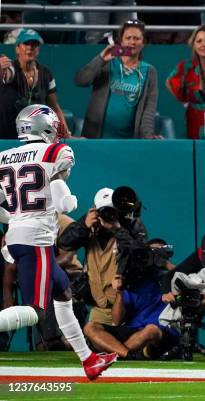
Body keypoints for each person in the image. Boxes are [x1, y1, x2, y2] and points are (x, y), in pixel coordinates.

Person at [0, 104, 116, 380]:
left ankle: (89, 360)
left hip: (18, 236)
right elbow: (63, 202)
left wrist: (17, 219)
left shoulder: (5, 157)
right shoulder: (54, 153)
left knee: (63, 292)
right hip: (36, 241)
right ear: (43, 125)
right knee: (37, 311)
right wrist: (69, 202)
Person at [58, 187, 148, 326]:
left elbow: (140, 256)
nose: (108, 215)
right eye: (104, 211)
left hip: (129, 304)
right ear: (96, 210)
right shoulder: (91, 224)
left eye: (112, 211)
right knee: (91, 333)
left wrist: (117, 229)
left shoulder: (129, 225)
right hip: (100, 307)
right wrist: (84, 225)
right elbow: (65, 243)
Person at [84, 239, 177, 359]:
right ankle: (128, 355)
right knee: (90, 327)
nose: (153, 258)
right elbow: (117, 321)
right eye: (150, 254)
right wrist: (119, 291)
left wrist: (166, 264)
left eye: (158, 254)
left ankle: (114, 351)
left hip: (159, 331)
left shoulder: (172, 279)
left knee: (150, 329)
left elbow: (188, 279)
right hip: (133, 330)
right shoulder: (133, 281)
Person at [75, 20, 159, 139]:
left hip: (128, 142)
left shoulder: (150, 71)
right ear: (121, 41)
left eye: (137, 38)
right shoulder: (106, 64)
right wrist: (100, 59)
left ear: (143, 42)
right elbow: (80, 80)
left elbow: (148, 111)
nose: (132, 42)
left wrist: (149, 137)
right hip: (96, 138)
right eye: (128, 38)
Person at [0, 29, 70, 140]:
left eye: (35, 44)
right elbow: (6, 75)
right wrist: (1, 69)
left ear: (38, 50)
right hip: (9, 136)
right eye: (26, 43)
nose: (30, 47)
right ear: (17, 49)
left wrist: (65, 133)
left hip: (36, 137)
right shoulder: (11, 69)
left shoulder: (46, 74)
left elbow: (54, 107)